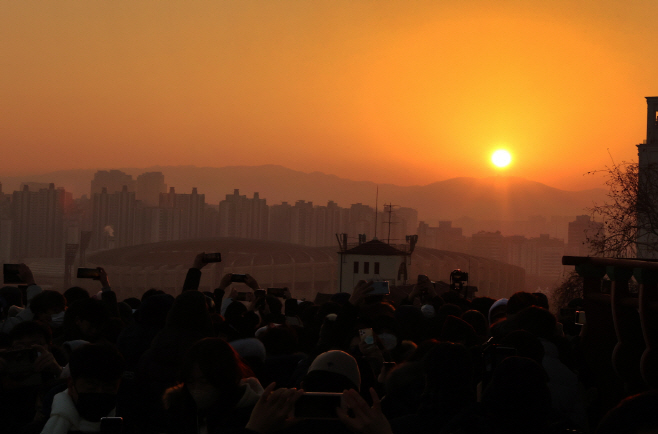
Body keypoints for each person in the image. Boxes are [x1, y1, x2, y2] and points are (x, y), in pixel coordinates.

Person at [163, 337, 263, 434]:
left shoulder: (253, 416)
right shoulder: (181, 410)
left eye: (204, 382)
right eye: (191, 382)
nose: (196, 389)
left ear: (224, 379)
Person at [41, 343, 125, 434]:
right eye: (91, 387)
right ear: (71, 383)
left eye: (109, 387)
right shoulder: (41, 427)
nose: (100, 392)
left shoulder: (131, 424)